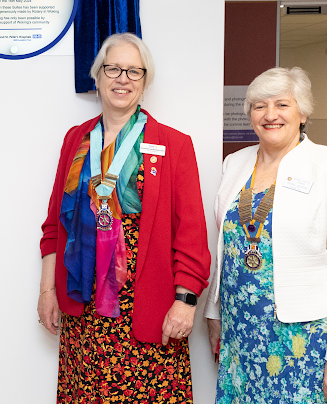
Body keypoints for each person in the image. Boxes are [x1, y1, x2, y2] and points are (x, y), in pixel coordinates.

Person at [38, 33, 211, 403]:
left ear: (145, 82)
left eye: (134, 71)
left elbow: (192, 235)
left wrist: (186, 302)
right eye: (113, 68)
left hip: (147, 301)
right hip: (84, 302)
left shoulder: (174, 144)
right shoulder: (77, 139)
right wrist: (47, 289)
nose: (122, 79)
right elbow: (55, 223)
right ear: (97, 77)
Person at [203, 67, 327, 404]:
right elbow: (225, 250)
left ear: (303, 112)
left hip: (300, 336)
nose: (270, 115)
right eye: (259, 106)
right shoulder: (234, 163)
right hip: (241, 330)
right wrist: (214, 313)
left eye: (282, 104)